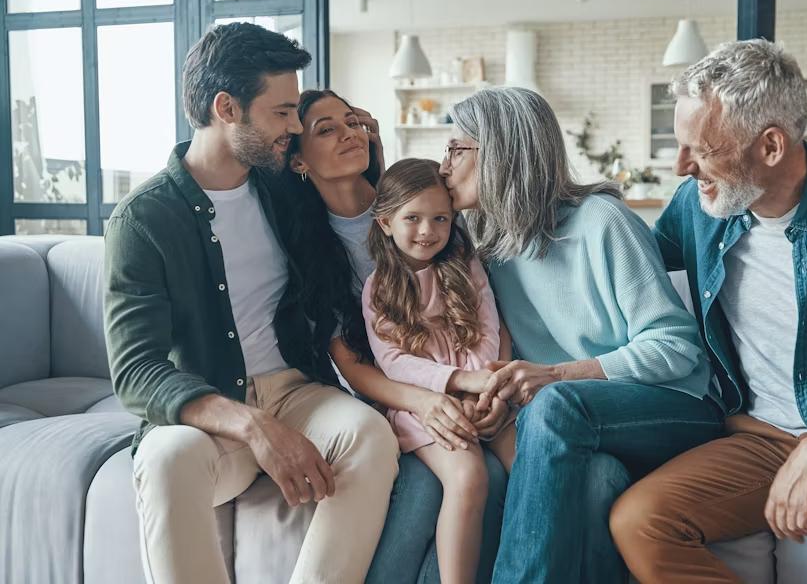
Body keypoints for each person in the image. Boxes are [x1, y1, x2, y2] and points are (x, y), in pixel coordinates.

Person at [104, 23, 399, 584]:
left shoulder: (282, 188)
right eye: (282, 112)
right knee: (166, 462)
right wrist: (254, 426)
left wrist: (373, 153)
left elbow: (362, 208)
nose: (294, 127)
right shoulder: (143, 219)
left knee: (368, 435)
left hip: (296, 389)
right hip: (210, 408)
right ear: (226, 108)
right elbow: (136, 371)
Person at [608, 39, 807, 584]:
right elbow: (627, 280)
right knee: (641, 520)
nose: (680, 166)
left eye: (701, 148)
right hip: (760, 437)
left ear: (770, 146)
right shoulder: (697, 208)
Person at [439, 86, 725, 584]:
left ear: (503, 151)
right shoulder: (487, 246)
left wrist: (557, 376)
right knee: (599, 483)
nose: (443, 165)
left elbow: (675, 347)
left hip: (674, 405)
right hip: (576, 425)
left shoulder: (601, 222)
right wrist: (498, 396)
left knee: (557, 404)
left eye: (457, 149)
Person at [286, 89, 510, 584]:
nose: (348, 133)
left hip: (462, 383)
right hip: (384, 394)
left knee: (490, 477)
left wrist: (483, 385)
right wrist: (429, 400)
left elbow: (486, 316)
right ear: (298, 160)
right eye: (327, 129)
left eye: (352, 121)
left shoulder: (425, 203)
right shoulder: (312, 247)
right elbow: (353, 362)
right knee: (431, 487)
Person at [356, 158, 517, 584]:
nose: (428, 231)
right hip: (424, 405)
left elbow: (489, 330)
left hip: (483, 393)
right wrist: (456, 385)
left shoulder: (467, 266)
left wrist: (480, 390)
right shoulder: (378, 287)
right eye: (414, 218)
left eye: (440, 219)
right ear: (386, 222)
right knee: (468, 474)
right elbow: (394, 362)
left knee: (527, 465)